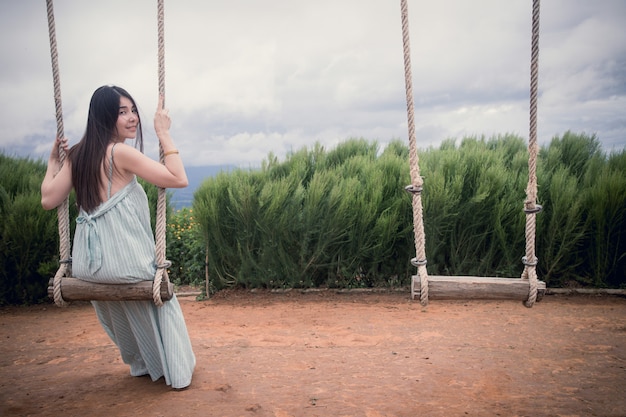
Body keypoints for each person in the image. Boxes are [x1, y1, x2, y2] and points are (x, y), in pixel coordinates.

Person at [41, 85, 195, 390]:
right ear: (104, 117)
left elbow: (48, 199)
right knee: (161, 293)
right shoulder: (119, 152)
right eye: (121, 112)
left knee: (125, 303)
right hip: (122, 261)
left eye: (133, 110)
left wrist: (52, 164)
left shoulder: (77, 155)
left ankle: (145, 363)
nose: (132, 118)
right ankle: (175, 370)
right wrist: (163, 133)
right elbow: (179, 178)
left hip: (89, 266)